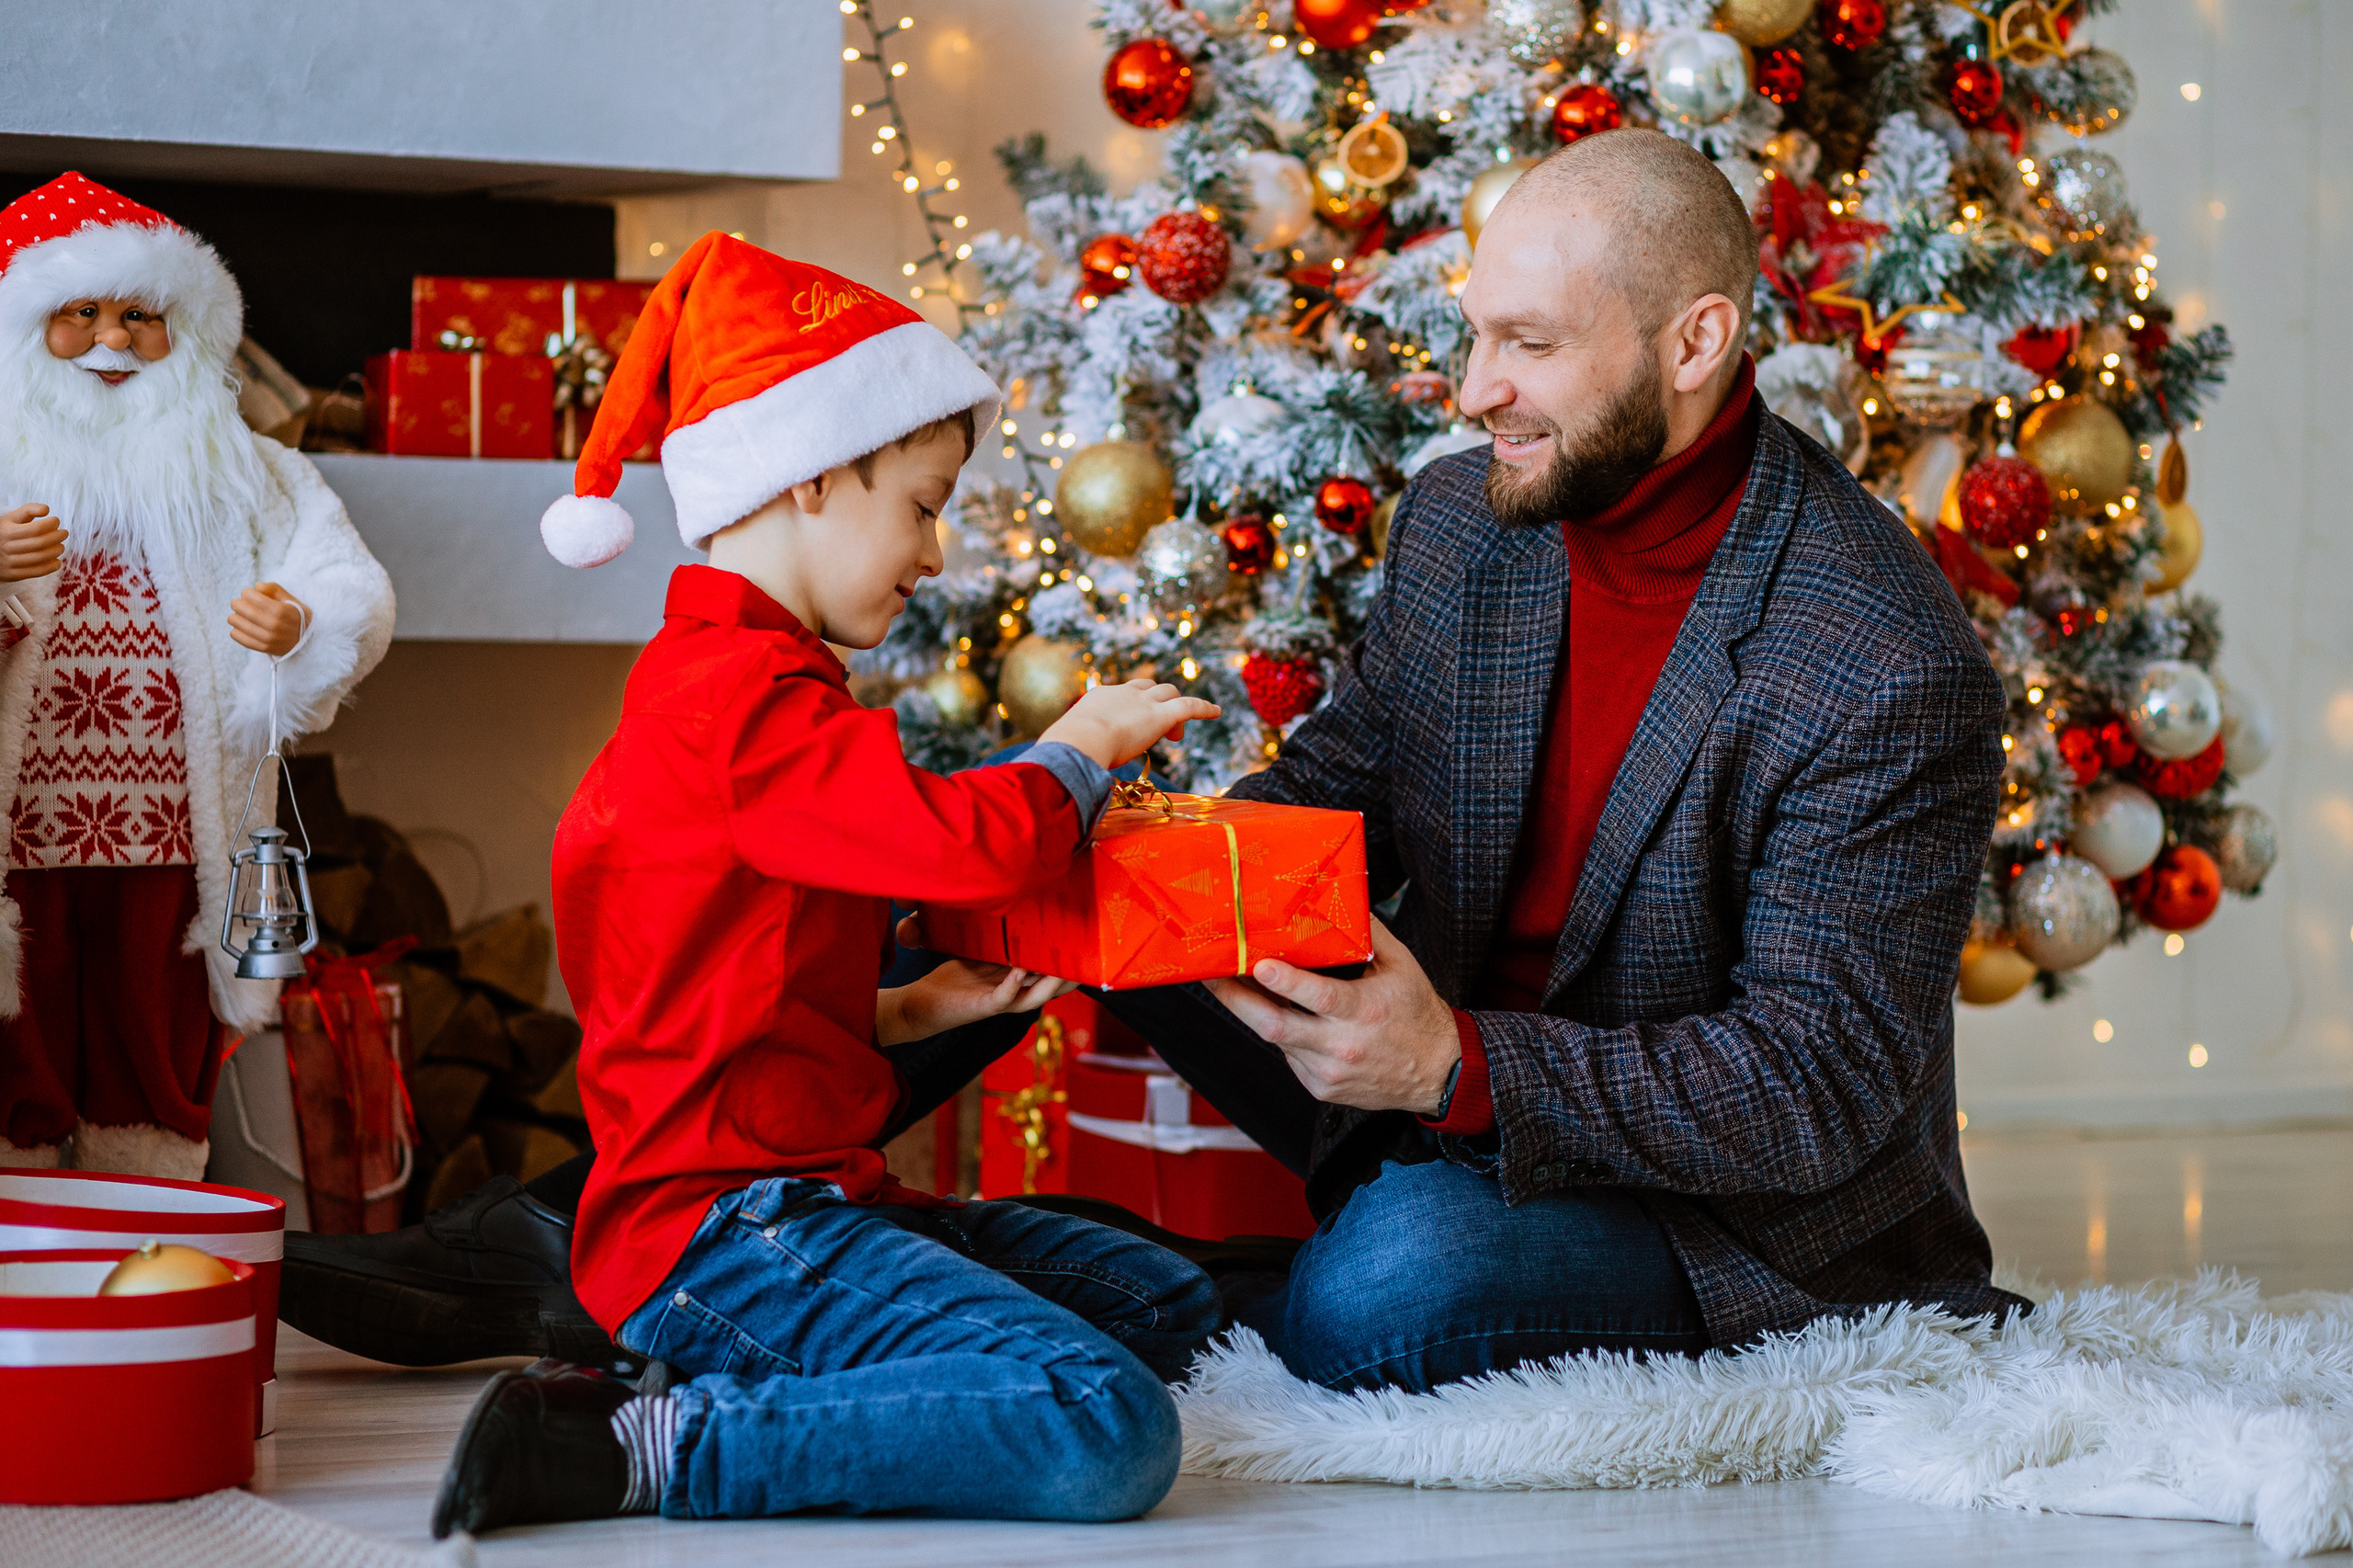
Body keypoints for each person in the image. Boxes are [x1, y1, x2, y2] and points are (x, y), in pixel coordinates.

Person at [298, 127, 2019, 1402]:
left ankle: (1188, 1282)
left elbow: (1821, 1087)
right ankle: (659, 1223)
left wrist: (1455, 1068)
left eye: (1529, 348)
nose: (1472, 385)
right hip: (1426, 1073)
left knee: (1381, 1302)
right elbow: (1341, 774)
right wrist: (1081, 872)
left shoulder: (1876, 655)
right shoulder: (1469, 525)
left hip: (1702, 1193)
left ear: (1696, 345)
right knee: (1003, 890)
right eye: (1474, 331)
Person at [430, 234, 1226, 1539]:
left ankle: (795, 1376)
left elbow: (730, 977)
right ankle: (654, 1444)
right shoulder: (735, 700)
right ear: (807, 477)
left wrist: (918, 1013)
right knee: (1105, 1421)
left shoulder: (761, 689)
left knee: (1162, 1309)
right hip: (722, 1226)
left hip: (802, 1195)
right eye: (921, 503)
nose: (936, 548)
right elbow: (966, 843)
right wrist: (1072, 753)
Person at [0, 173, 393, 1178]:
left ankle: (144, 1241)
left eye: (142, 316)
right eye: (78, 315)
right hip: (17, 840)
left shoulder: (245, 469)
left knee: (154, 1044)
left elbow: (343, 571)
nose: (114, 341)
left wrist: (299, 618)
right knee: (13, 1049)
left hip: (175, 832)